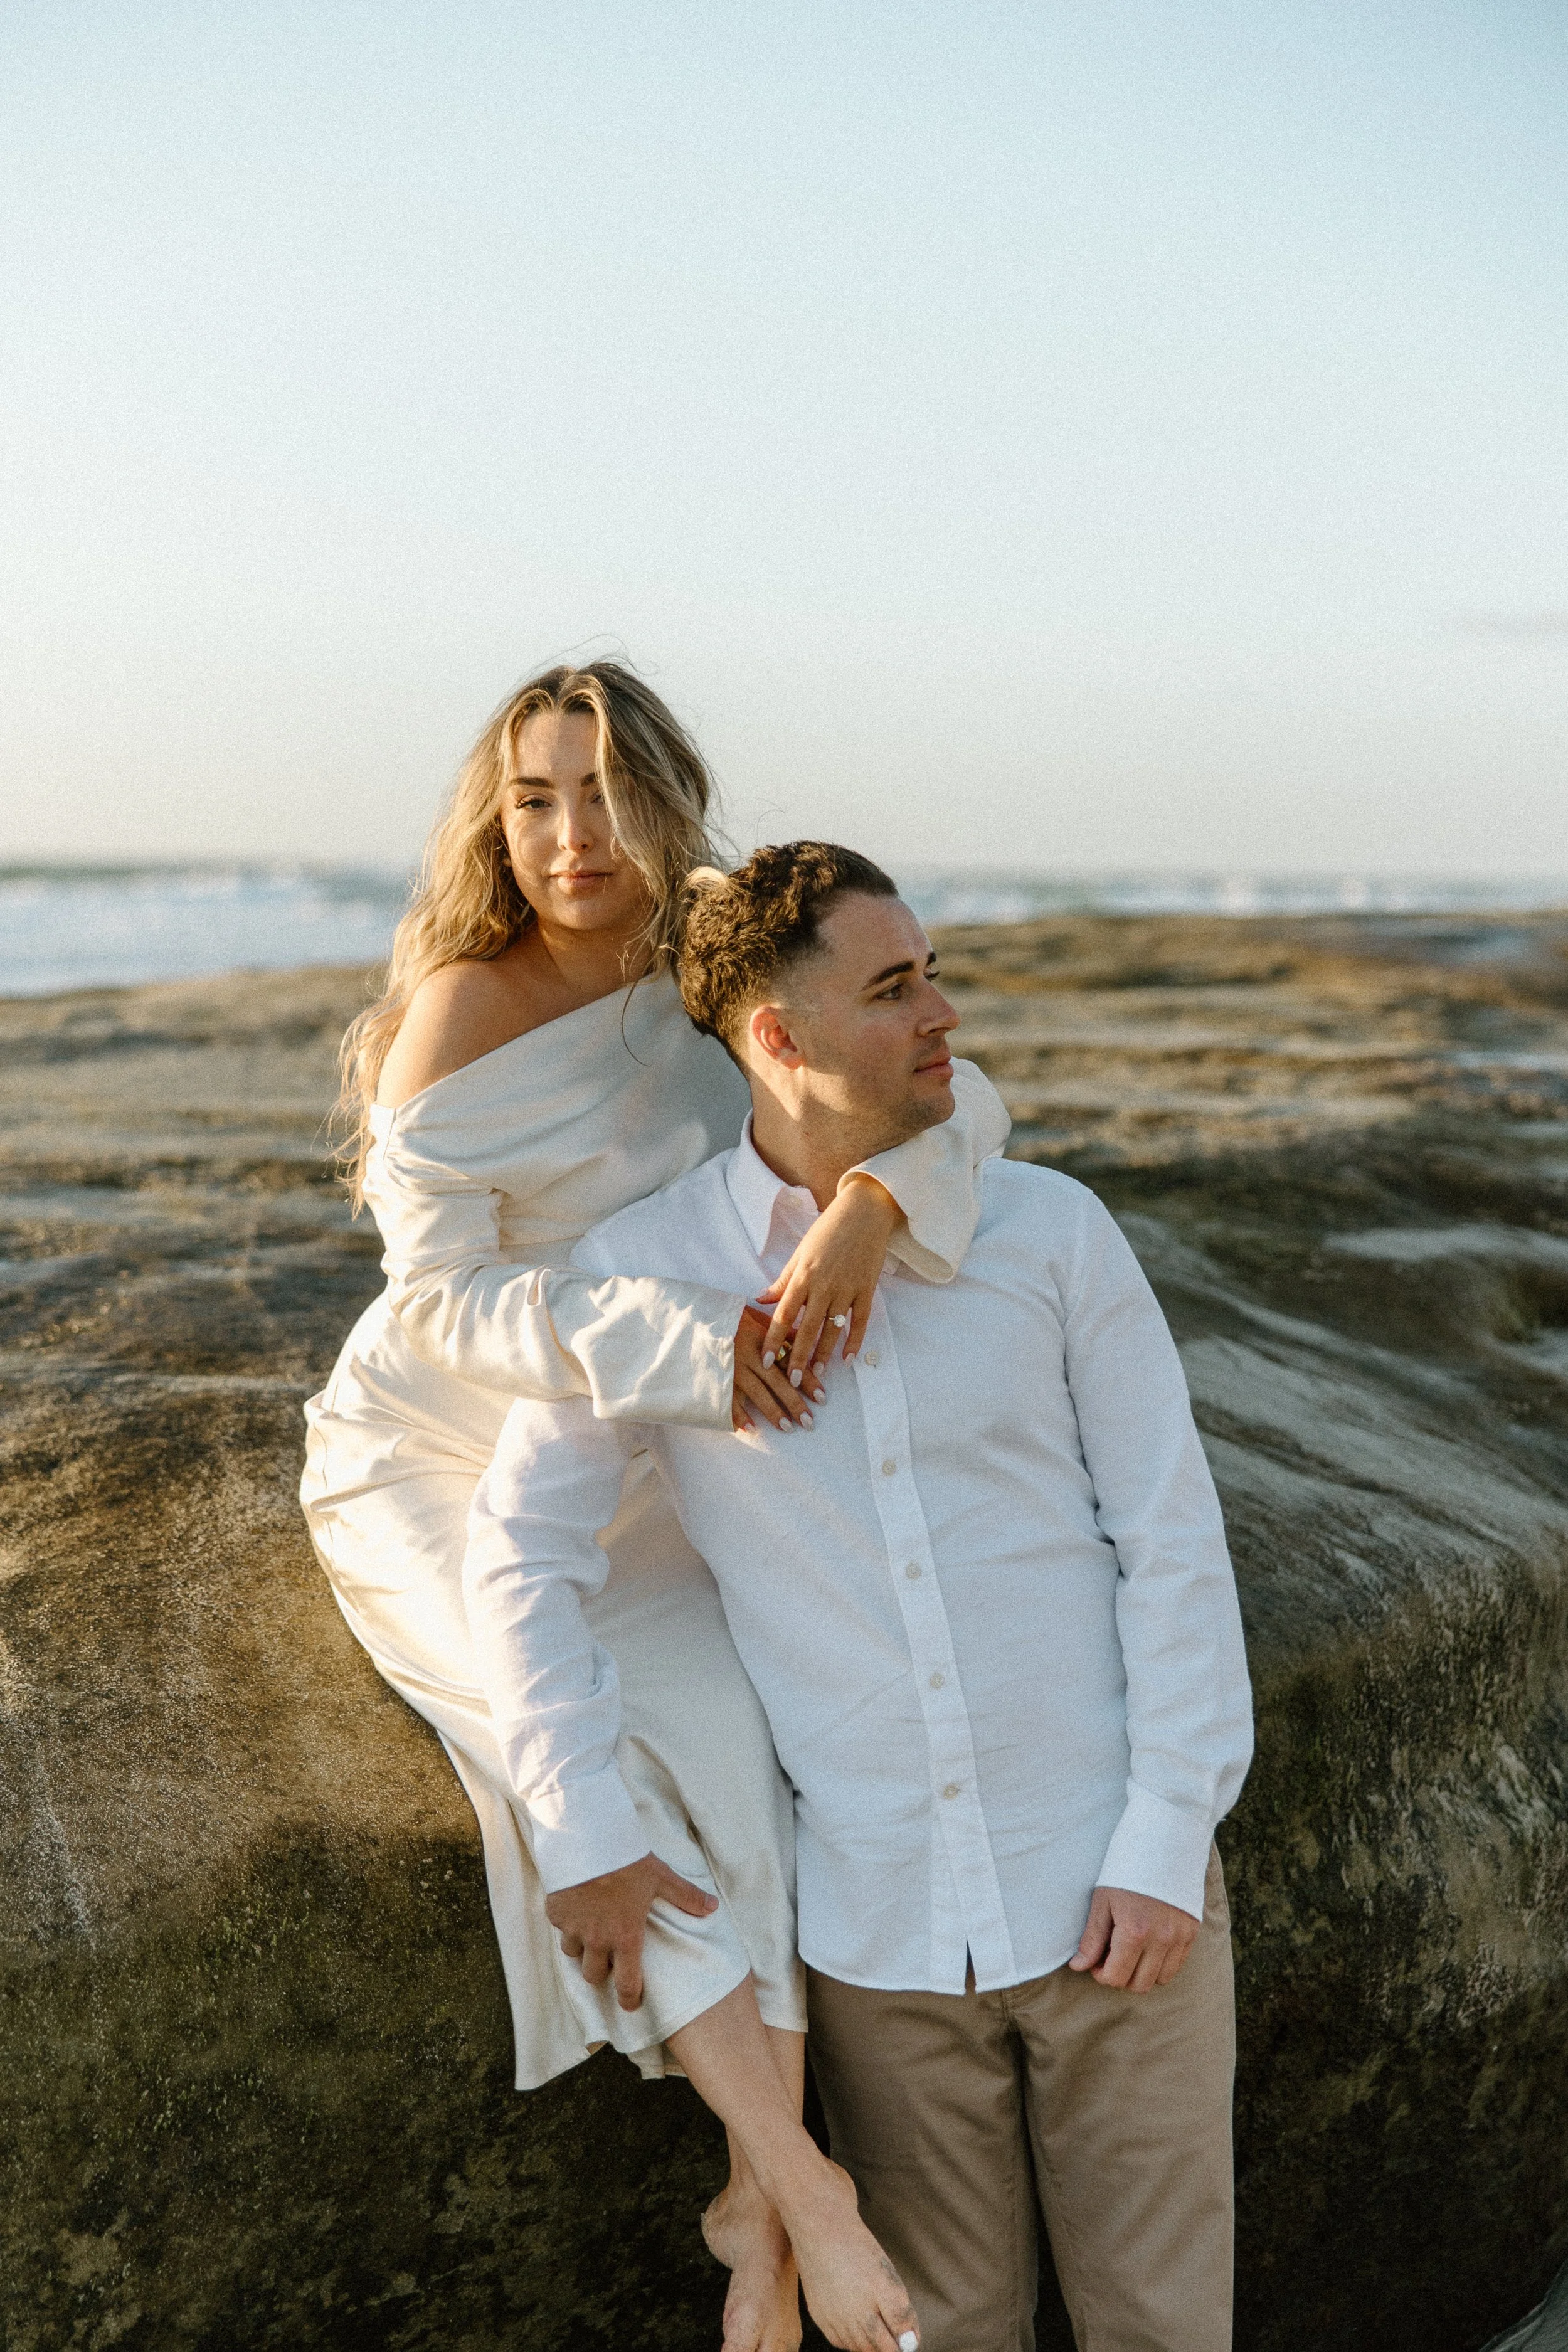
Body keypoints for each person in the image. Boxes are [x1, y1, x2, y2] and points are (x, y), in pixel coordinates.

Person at [465, 842, 1256, 2352]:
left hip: (1120, 1899)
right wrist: (578, 1829)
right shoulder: (648, 1278)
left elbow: (1169, 1541)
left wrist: (1165, 1840)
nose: (943, 1012)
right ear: (778, 1037)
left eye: (935, 972)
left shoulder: (1050, 1233)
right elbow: (520, 1554)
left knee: (1163, 2331)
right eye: (895, 988)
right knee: (930, 2339)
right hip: (884, 1945)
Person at [300, 672, 1008, 2352]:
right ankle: (806, 2189)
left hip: (666, 1454)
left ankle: (748, 2225)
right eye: (535, 799)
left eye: (604, 793)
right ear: (497, 818)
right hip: (452, 1451)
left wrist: (865, 1199)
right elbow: (440, 1308)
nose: (570, 835)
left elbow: (944, 1085)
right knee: (599, 1776)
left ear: (669, 801)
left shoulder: (716, 954)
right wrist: (677, 1341)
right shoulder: (461, 1008)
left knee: (761, 1777)